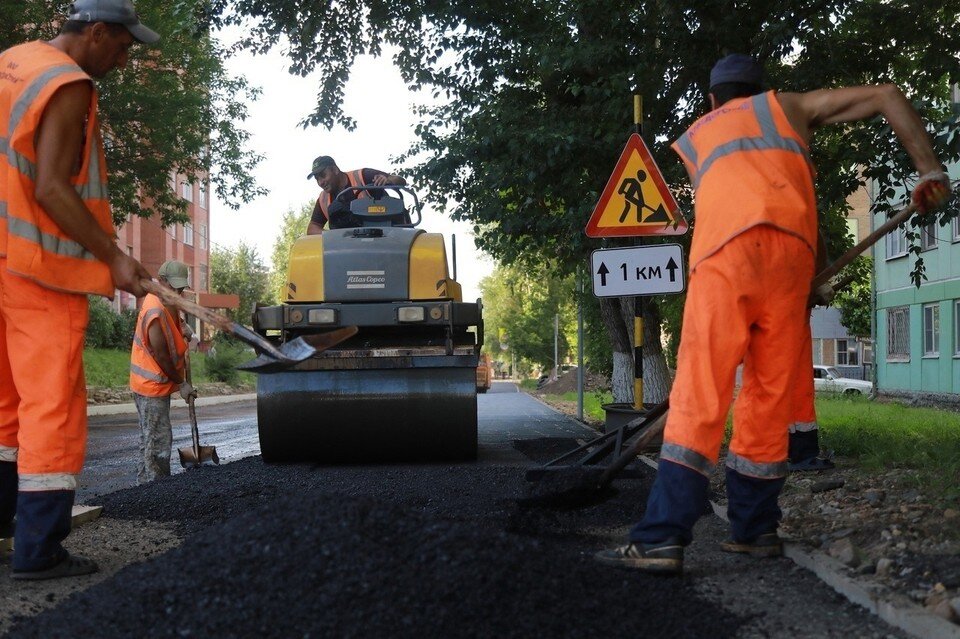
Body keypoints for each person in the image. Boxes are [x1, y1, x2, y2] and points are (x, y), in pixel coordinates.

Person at [595, 54, 951, 574]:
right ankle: (756, 529)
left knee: (701, 396)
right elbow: (886, 95)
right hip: (790, 262)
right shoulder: (788, 109)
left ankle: (662, 537)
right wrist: (930, 171)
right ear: (763, 89)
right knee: (767, 402)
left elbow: (739, 203)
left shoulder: (699, 134)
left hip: (725, 259)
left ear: (712, 99)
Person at [0, 0, 158, 580]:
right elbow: (49, 187)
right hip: (39, 268)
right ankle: (38, 550)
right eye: (121, 46)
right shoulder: (70, 84)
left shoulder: (12, 62)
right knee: (52, 408)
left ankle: (4, 524)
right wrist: (114, 256)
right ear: (95, 33)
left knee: (6, 404)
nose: (123, 57)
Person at [130, 260, 197, 485]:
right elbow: (161, 355)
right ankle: (156, 490)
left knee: (148, 439)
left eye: (181, 288)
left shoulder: (168, 300)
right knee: (157, 442)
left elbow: (174, 324)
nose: (178, 291)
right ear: (162, 281)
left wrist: (184, 328)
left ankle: (143, 489)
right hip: (150, 385)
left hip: (156, 384)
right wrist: (181, 384)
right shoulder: (154, 308)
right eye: (174, 286)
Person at [305, 156, 407, 234]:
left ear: (335, 170)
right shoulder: (323, 199)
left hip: (385, 237)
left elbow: (400, 181)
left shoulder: (363, 176)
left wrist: (388, 179)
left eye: (323, 176)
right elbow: (312, 228)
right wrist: (332, 236)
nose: (320, 182)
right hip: (350, 250)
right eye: (317, 179)